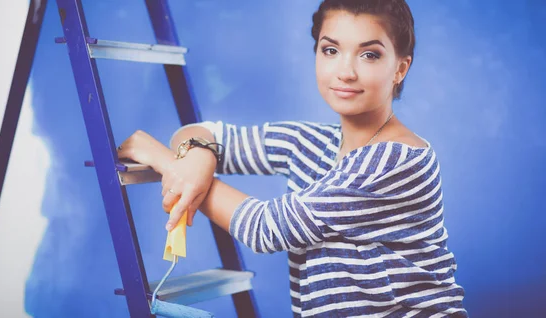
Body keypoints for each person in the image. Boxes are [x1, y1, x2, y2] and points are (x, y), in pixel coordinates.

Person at [116, 0, 468, 316]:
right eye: (330, 50)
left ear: (400, 69)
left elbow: (265, 228)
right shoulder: (309, 142)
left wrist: (162, 157)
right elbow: (207, 132)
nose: (345, 71)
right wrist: (196, 158)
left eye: (369, 54)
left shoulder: (395, 160)